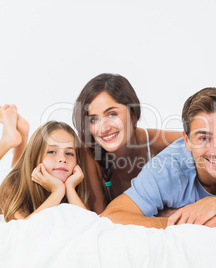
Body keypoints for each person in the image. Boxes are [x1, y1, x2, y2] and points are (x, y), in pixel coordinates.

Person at [101, 87, 216, 229]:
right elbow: (111, 216)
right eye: (203, 138)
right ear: (187, 141)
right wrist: (190, 222)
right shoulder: (165, 169)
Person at [73, 73, 182, 213]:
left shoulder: (160, 142)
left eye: (112, 114)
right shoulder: (89, 151)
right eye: (93, 119)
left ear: (134, 114)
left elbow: (200, 142)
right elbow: (100, 218)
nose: (104, 128)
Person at [0, 105, 90, 222]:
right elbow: (27, 226)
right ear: (35, 158)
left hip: (21, 173)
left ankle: (21, 136)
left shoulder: (75, 184)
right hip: (2, 182)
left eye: (69, 153)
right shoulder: (11, 187)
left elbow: (89, 223)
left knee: (18, 169)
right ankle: (7, 141)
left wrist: (70, 188)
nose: (62, 159)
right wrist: (58, 191)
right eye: (51, 151)